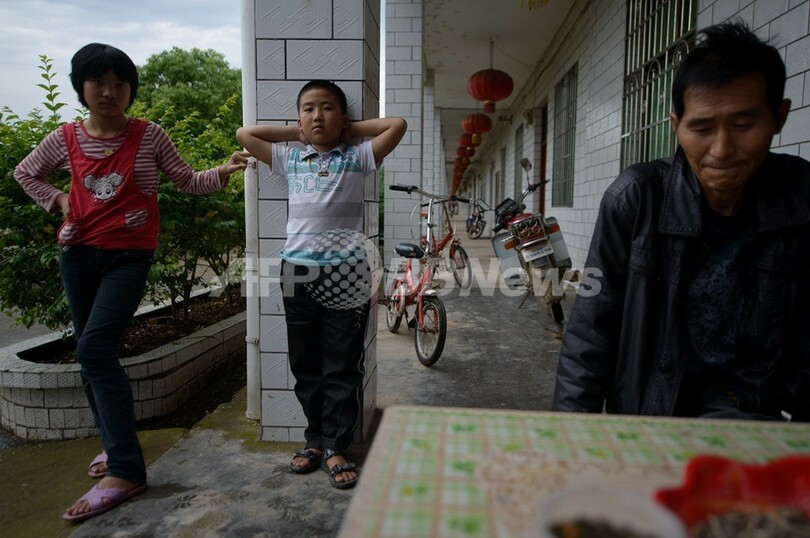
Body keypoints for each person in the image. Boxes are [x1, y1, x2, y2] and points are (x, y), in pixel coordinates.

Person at [14, 43, 248, 521]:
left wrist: (223, 171)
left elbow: (186, 180)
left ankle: (125, 469)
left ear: (130, 90)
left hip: (130, 257)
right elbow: (26, 172)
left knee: (95, 349)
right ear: (81, 87)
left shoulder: (149, 135)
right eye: (99, 82)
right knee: (90, 354)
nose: (109, 91)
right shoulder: (65, 138)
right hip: (77, 255)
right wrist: (58, 199)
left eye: (120, 84)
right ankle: (114, 445)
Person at [552, 21, 809, 422]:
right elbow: (591, 330)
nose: (721, 149)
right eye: (701, 128)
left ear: (779, 117)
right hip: (654, 414)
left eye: (743, 125)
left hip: (756, 416)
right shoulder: (636, 199)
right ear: (676, 126)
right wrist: (569, 436)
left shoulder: (801, 199)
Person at [236, 80, 406, 488]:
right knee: (305, 361)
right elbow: (245, 134)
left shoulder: (359, 156)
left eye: (327, 108)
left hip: (348, 273)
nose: (317, 116)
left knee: (342, 363)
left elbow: (397, 125)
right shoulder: (289, 157)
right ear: (299, 118)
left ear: (342, 117)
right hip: (297, 272)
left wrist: (349, 129)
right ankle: (315, 439)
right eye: (309, 109)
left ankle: (336, 445)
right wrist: (298, 133)